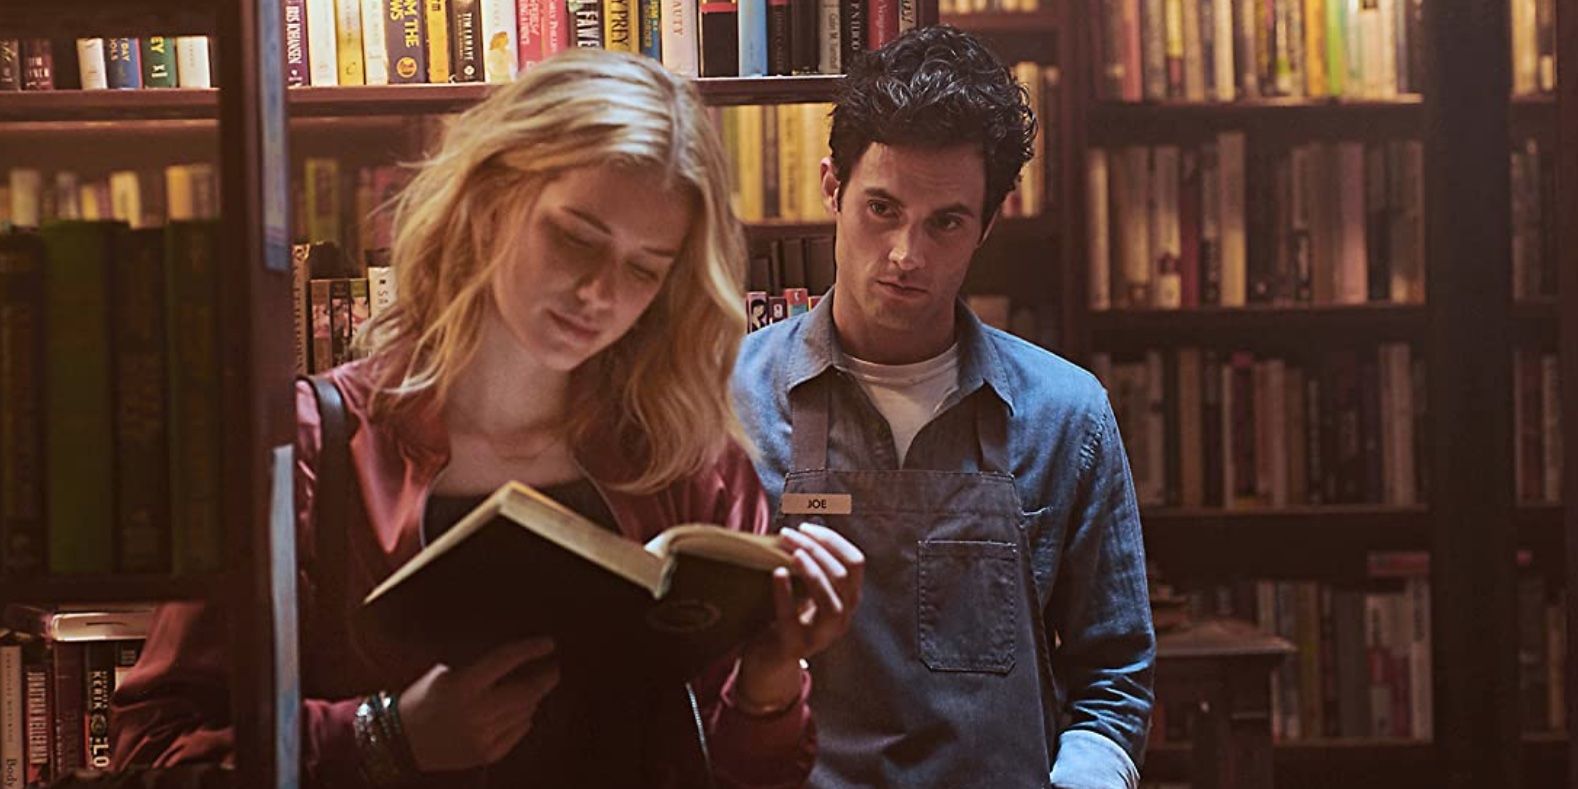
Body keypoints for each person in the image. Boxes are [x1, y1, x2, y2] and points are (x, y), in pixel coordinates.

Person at [113, 49, 863, 789]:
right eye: (575, 237)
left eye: (644, 268)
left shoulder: (684, 460)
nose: (599, 293)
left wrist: (769, 679)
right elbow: (154, 754)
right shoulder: (308, 448)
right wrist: (385, 735)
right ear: (491, 198)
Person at [731, 26, 1154, 789]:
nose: (905, 254)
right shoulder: (727, 402)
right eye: (881, 208)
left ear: (989, 223)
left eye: (945, 222)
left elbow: (1114, 676)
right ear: (831, 186)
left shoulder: (1068, 416)